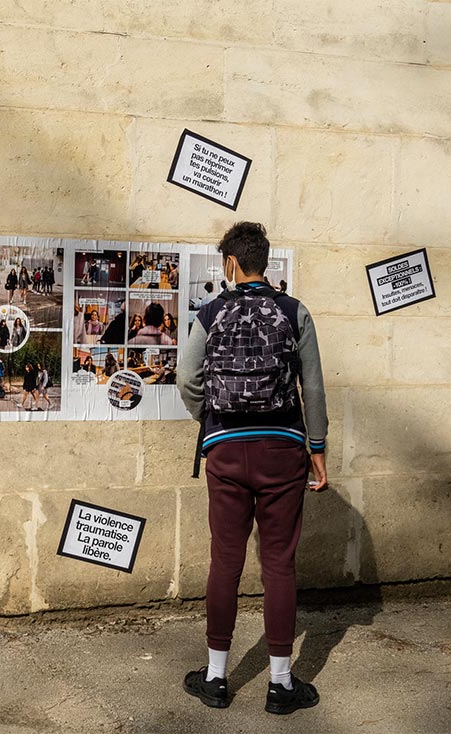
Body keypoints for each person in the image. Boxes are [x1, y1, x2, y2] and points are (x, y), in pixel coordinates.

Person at [178, 222, 328, 714]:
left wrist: (213, 419)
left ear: (230, 264)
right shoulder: (294, 311)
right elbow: (314, 387)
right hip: (283, 449)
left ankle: (217, 677)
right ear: (265, 262)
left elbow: (187, 378)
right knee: (279, 563)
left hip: (225, 449)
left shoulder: (211, 312)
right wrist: (318, 447)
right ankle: (280, 684)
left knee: (226, 559)